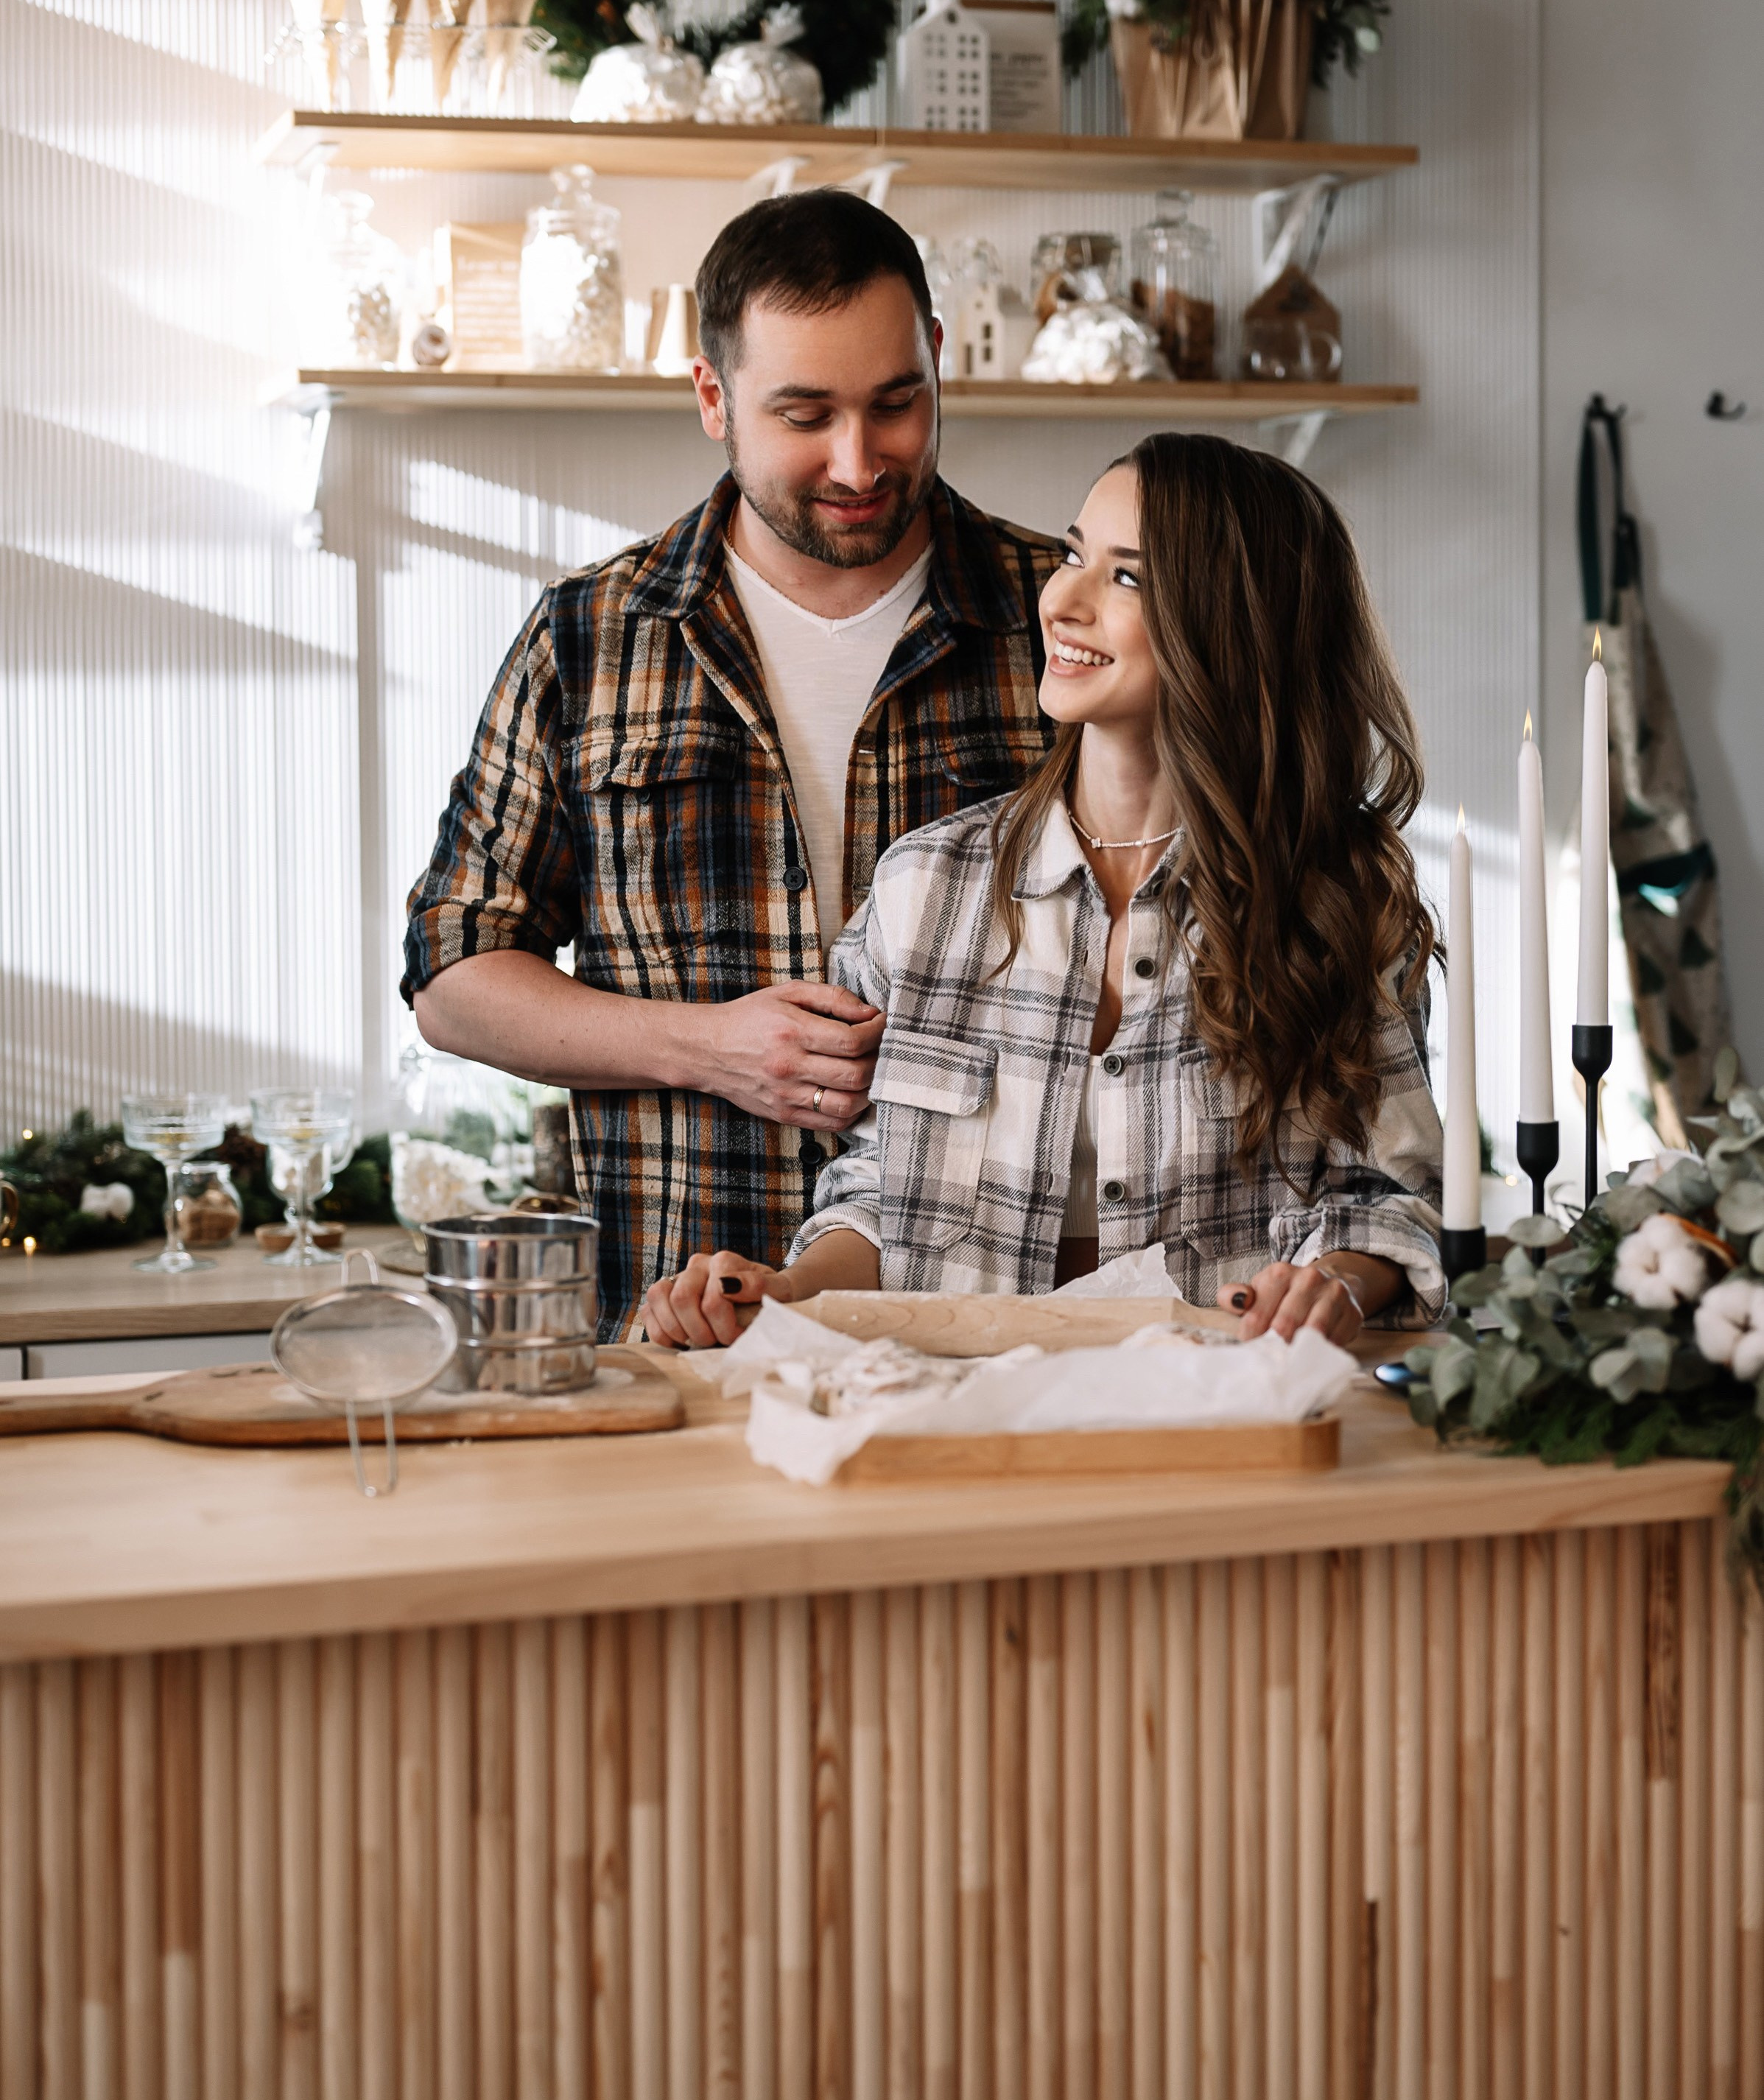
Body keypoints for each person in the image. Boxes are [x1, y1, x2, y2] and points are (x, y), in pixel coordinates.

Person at [403, 189, 1060, 1333]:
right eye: (804, 415)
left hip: (992, 1346)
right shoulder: (589, 636)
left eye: (896, 404)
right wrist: (705, 1046)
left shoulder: (1063, 617)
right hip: (681, 1344)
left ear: (938, 361)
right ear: (711, 397)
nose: (858, 462)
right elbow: (454, 976)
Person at [644, 432, 1446, 1349]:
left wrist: (1331, 1286)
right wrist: (784, 1293)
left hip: (1222, 1428)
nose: (1061, 600)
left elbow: (1393, 1197)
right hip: (955, 1426)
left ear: (1233, 623)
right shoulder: (926, 887)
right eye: (1072, 554)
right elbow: (878, 1193)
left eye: (1127, 578)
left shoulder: (1337, 899)